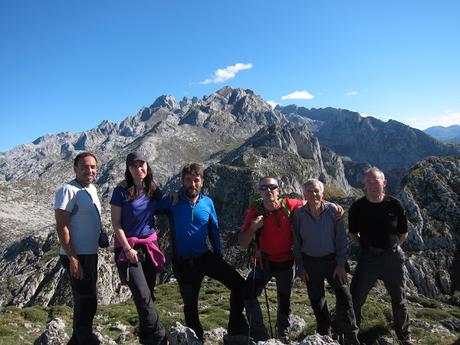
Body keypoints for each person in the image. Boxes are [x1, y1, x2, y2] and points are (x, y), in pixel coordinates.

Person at [167, 163, 248, 341]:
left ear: (202, 182)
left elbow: (214, 229)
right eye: (188, 180)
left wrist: (218, 255)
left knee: (239, 285)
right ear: (182, 181)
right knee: (190, 307)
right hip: (183, 263)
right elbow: (151, 204)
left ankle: (236, 327)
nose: (192, 184)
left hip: (205, 257)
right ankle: (198, 340)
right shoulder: (173, 201)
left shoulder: (207, 202)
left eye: (196, 180)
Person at [349, 167, 412, 345]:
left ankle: (404, 337)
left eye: (375, 181)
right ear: (364, 184)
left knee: (399, 299)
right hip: (369, 258)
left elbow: (403, 233)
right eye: (368, 182)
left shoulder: (395, 204)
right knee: (356, 298)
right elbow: (353, 234)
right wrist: (367, 247)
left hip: (393, 257)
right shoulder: (357, 207)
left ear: (384, 183)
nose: (372, 185)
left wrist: (392, 248)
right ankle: (351, 337)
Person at [292, 179, 360, 345]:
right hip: (310, 263)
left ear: (322, 193)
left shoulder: (333, 210)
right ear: (304, 194)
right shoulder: (299, 214)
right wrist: (301, 267)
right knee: (317, 300)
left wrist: (340, 264)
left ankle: (350, 337)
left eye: (316, 190)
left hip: (332, 262)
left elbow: (341, 240)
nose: (313, 194)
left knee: (345, 296)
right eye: (309, 191)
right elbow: (296, 242)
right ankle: (325, 334)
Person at [238, 177, 306, 341]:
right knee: (248, 293)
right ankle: (259, 335)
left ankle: (282, 333)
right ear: (260, 191)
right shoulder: (255, 212)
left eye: (272, 187)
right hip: (264, 263)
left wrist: (333, 206)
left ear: (278, 190)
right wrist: (253, 227)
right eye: (264, 188)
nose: (268, 190)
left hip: (286, 262)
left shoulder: (289, 205)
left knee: (284, 301)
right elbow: (242, 242)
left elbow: (312, 200)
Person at [110, 152, 167, 345]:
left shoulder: (153, 188)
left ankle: (146, 340)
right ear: (128, 169)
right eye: (134, 165)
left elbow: (162, 207)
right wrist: (127, 249)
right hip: (129, 249)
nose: (138, 168)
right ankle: (160, 338)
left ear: (147, 166)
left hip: (149, 246)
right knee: (142, 296)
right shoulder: (121, 191)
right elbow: (116, 224)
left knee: (149, 295)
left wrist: (176, 198)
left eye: (141, 164)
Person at [55, 152, 101, 345]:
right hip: (77, 255)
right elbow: (61, 226)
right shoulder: (68, 190)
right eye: (84, 166)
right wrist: (73, 259)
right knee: (86, 302)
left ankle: (77, 340)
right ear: (75, 169)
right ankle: (84, 340)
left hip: (90, 254)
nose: (89, 170)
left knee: (88, 302)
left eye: (92, 167)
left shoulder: (92, 189)